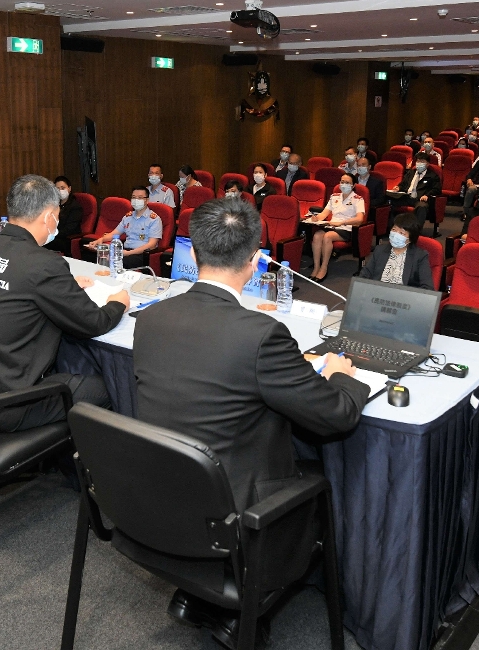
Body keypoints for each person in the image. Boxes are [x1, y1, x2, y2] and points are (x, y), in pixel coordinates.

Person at [132, 197, 368, 645]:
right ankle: (243, 605)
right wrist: (342, 376)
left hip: (163, 495)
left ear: (194, 253)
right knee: (315, 470)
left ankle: (200, 595)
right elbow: (335, 415)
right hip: (236, 516)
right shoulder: (261, 335)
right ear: (257, 260)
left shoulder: (151, 317)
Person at [0, 175, 127, 435]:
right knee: (114, 389)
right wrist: (117, 303)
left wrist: (63, 286)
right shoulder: (43, 263)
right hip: (6, 403)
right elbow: (95, 323)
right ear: (48, 216)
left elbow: (18, 285)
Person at [306, 174, 365, 281]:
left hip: (347, 228)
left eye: (347, 182)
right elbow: (324, 214)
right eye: (342, 182)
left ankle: (324, 268)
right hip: (332, 226)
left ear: (353, 185)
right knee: (317, 235)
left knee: (327, 236)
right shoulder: (334, 197)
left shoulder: (358, 199)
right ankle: (316, 267)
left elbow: (359, 219)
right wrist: (316, 218)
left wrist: (342, 222)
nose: (344, 184)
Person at [359, 213, 434, 289]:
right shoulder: (380, 250)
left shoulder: (420, 256)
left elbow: (427, 287)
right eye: (394, 230)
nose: (395, 234)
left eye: (401, 233)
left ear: (410, 239)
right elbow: (364, 276)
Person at [403, 153, 442, 228]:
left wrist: (427, 195)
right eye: (418, 161)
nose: (419, 163)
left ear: (427, 164)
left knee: (422, 207)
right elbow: (403, 184)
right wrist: (398, 187)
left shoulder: (433, 176)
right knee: (389, 202)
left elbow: (437, 189)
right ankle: (390, 229)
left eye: (422, 161)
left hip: (420, 199)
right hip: (406, 197)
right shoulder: (411, 173)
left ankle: (416, 231)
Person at [48, 176, 83, 254]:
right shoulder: (54, 205)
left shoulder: (75, 206)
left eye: (63, 188)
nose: (60, 191)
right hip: (54, 236)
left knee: (41, 242)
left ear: (69, 188)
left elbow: (69, 229)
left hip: (67, 239)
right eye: (57, 189)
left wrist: (51, 234)